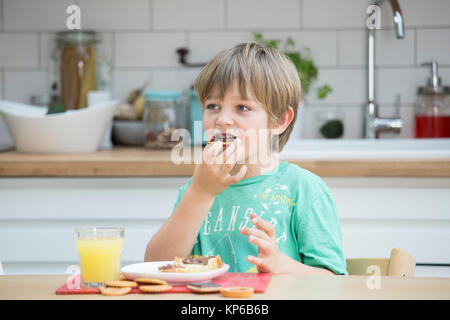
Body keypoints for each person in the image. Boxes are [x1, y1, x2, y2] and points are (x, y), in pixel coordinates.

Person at [145, 42, 347, 275]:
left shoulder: (303, 189)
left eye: (242, 107)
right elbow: (156, 266)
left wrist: (281, 265)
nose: (222, 119)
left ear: (279, 120)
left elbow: (334, 281)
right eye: (213, 106)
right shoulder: (197, 189)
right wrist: (199, 194)